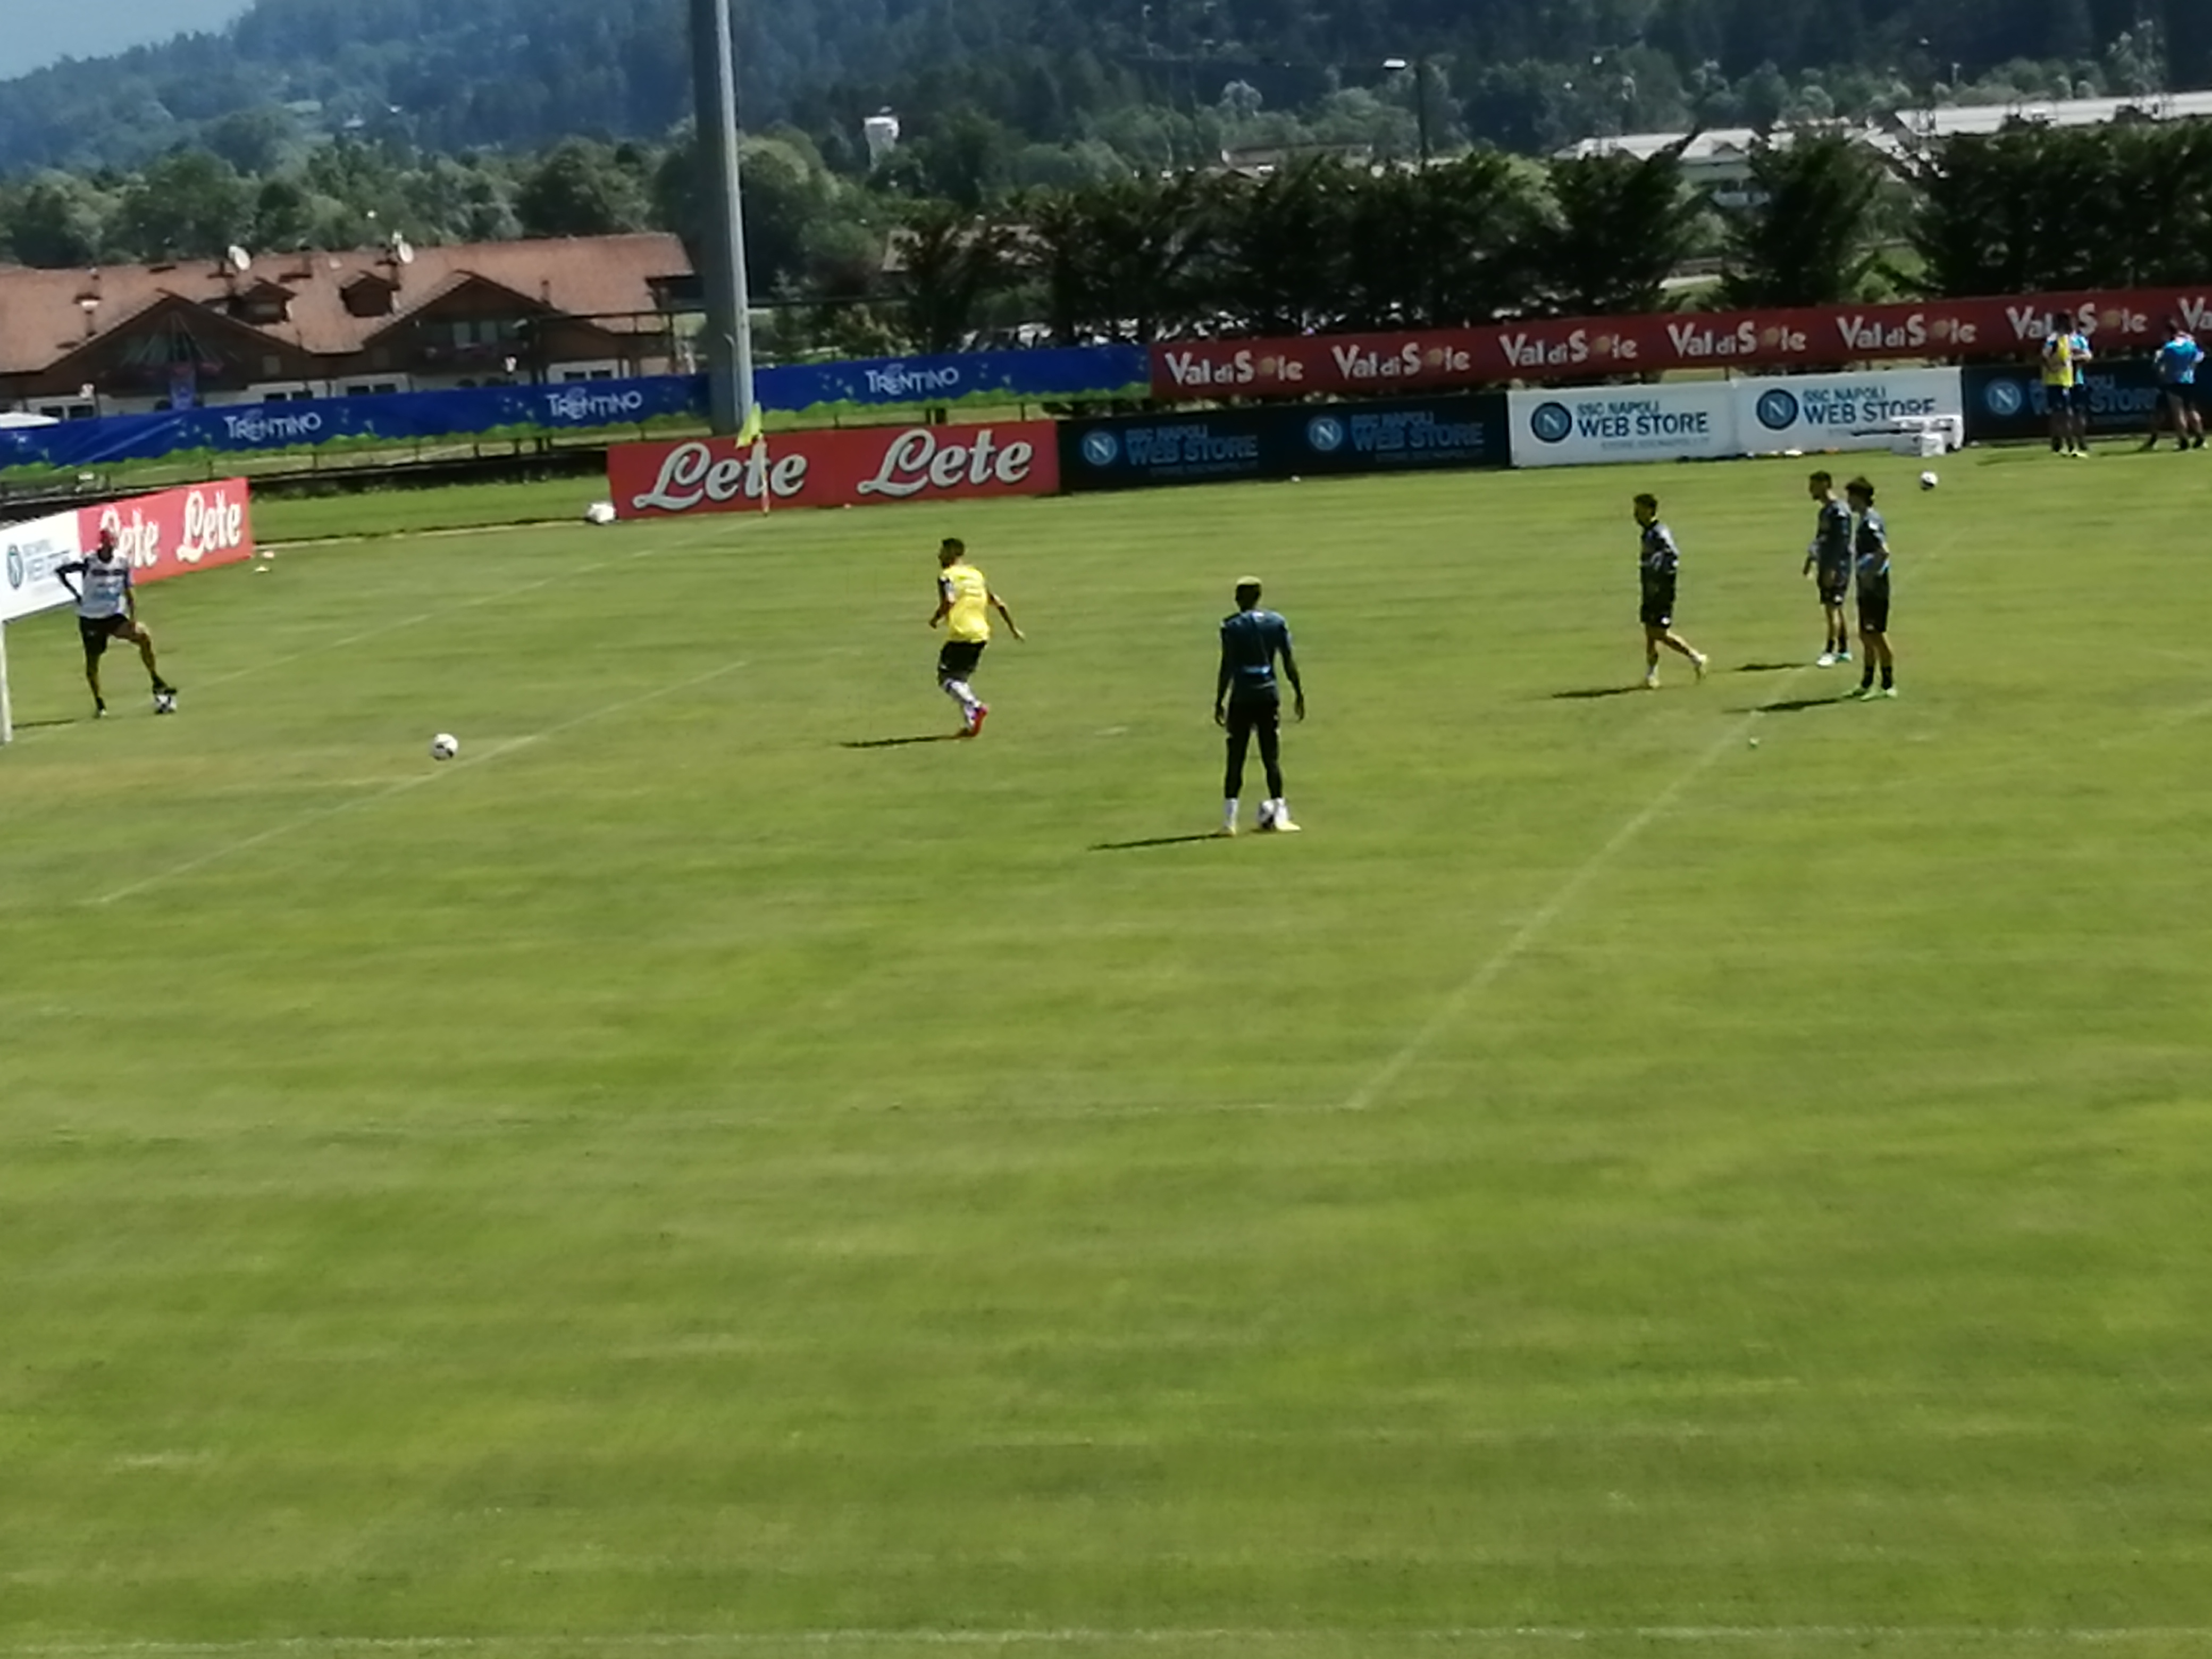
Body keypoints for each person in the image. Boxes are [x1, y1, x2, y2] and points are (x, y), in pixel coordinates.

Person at [55, 526, 177, 719]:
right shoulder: (88, 561)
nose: (110, 547)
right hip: (91, 618)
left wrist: (133, 618)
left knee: (143, 636)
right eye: (107, 544)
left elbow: (129, 590)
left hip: (114, 616)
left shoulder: (122, 561)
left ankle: (156, 679)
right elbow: (61, 571)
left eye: (113, 543)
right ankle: (99, 703)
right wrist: (76, 594)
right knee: (93, 662)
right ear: (101, 543)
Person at [1213, 576, 1304, 836]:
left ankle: (1230, 820)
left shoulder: (1231, 626)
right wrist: (1298, 691)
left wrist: (1219, 699)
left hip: (1242, 696)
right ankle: (1281, 814)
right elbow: (1288, 660)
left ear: (1239, 598)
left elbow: (1227, 665)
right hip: (1268, 694)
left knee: (1236, 757)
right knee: (1270, 756)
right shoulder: (1276, 622)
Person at [927, 536, 1021, 737]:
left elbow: (949, 600)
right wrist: (1013, 629)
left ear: (952, 553)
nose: (939, 555)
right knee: (961, 679)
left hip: (961, 633)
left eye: (942, 552)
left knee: (946, 678)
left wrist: (935, 619)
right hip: (981, 633)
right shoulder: (976, 575)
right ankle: (971, 725)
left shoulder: (947, 576)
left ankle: (976, 706)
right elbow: (998, 602)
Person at [1632, 493, 1708, 690]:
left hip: (1660, 590)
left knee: (1659, 632)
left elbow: (1672, 555)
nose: (1636, 514)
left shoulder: (1659, 532)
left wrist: (1659, 578)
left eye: (1639, 510)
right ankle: (1651, 676)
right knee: (1650, 633)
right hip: (1650, 589)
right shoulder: (1648, 533)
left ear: (1650, 510)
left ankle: (1696, 657)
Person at [1844, 477, 1896, 700]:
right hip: (1866, 587)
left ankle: (1887, 684)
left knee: (1877, 635)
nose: (1848, 501)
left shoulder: (1870, 523)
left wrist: (1870, 573)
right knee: (1866, 634)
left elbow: (1884, 551)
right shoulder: (1866, 520)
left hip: (1875, 587)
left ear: (1859, 497)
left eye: (1851, 497)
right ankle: (1866, 682)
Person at [1803, 470, 1854, 667]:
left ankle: (1830, 651)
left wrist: (1832, 569)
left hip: (1836, 567)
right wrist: (1810, 560)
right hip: (1828, 564)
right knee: (1836, 607)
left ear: (1825, 485)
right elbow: (1821, 538)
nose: (1810, 491)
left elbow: (1841, 543)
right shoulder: (1826, 511)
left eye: (1813, 486)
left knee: (1831, 608)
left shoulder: (1838, 512)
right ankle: (1844, 649)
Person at [2146, 320, 2206, 452]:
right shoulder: (2190, 345)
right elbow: (2199, 357)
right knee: (2191, 410)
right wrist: (2191, 369)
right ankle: (2200, 435)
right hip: (2189, 380)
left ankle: (2183, 440)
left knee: (2178, 411)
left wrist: (2160, 366)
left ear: (2168, 333)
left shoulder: (2169, 348)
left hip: (2173, 381)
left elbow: (2159, 365)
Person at [2040, 313, 2082, 457]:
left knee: (2064, 414)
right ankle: (2067, 446)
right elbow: (2044, 355)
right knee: (2062, 414)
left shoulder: (2067, 339)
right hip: (2056, 382)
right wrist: (2053, 368)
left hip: (2066, 381)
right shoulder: (2054, 339)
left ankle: (2062, 445)